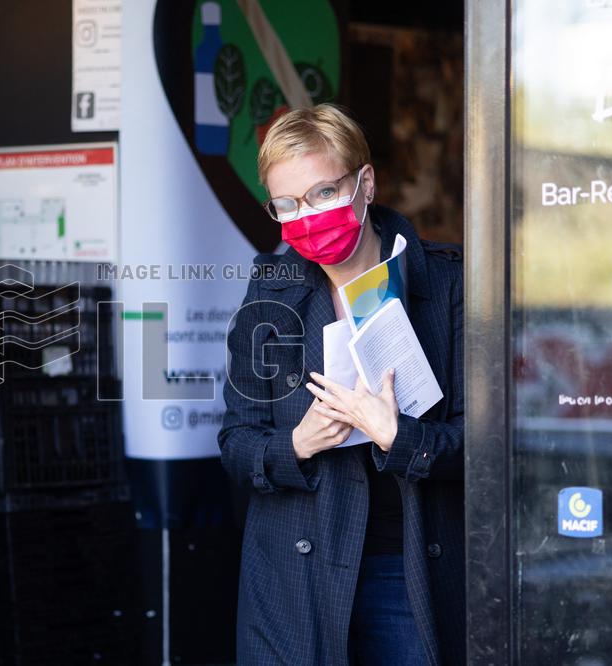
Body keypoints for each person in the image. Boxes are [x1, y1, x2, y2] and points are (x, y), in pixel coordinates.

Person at [218, 104, 464, 665]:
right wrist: (297, 443)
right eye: (287, 205)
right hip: (293, 582)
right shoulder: (268, 294)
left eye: (324, 193)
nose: (307, 216)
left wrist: (400, 437)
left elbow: (487, 444)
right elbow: (236, 444)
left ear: (365, 183)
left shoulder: (448, 285)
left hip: (408, 574)